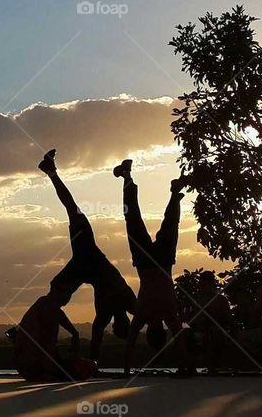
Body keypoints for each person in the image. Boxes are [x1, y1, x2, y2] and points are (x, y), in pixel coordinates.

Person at [39, 149, 136, 362]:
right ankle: (50, 171)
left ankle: (51, 172)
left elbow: (97, 335)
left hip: (85, 260)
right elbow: (97, 336)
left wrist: (94, 362)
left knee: (72, 209)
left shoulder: (119, 307)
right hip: (86, 261)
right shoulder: (126, 304)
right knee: (72, 209)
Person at [113, 159, 191, 377]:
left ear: (163, 330)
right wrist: (126, 370)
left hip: (163, 262)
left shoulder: (169, 314)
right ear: (148, 331)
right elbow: (129, 345)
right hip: (145, 262)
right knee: (132, 218)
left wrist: (185, 367)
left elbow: (180, 342)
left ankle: (175, 194)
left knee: (171, 224)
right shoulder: (142, 314)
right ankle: (127, 176)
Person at [11, 286, 96, 381]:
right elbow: (48, 344)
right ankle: (48, 372)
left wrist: (74, 333)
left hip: (28, 365)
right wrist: (49, 372)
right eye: (67, 294)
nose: (68, 298)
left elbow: (60, 316)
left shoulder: (46, 304)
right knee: (88, 366)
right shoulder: (48, 309)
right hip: (34, 366)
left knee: (88, 366)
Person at [184, 270, 235, 373]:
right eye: (202, 284)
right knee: (186, 334)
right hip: (199, 330)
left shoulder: (221, 300)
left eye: (206, 284)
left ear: (212, 285)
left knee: (214, 333)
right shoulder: (195, 300)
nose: (204, 287)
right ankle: (189, 366)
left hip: (216, 330)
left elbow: (228, 320)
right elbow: (191, 320)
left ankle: (212, 366)